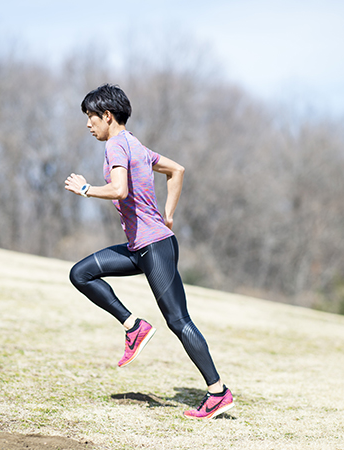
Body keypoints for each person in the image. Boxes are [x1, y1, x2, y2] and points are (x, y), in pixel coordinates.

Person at [65, 84, 234, 419]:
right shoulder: (136, 146)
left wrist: (86, 189)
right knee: (80, 273)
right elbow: (177, 170)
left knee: (179, 321)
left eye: (91, 117)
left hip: (153, 247)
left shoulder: (116, 146)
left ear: (107, 116)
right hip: (142, 246)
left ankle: (218, 393)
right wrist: (168, 215)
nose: (88, 124)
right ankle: (133, 326)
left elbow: (119, 189)